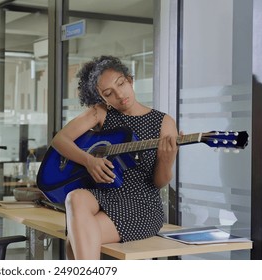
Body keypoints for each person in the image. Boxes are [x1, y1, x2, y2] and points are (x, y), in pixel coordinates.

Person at [50, 55, 179, 260]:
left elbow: (159, 182)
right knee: (75, 197)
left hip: (141, 203)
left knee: (75, 241)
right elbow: (60, 139)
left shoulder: (163, 122)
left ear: (130, 80)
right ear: (102, 98)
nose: (119, 95)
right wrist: (89, 161)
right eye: (109, 93)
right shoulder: (101, 113)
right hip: (104, 194)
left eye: (121, 84)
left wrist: (166, 159)